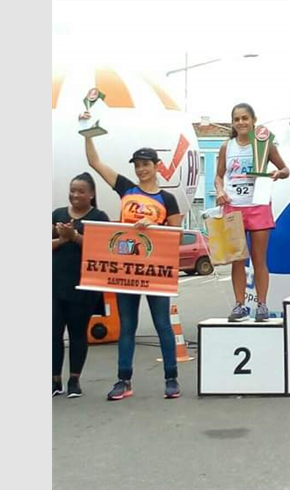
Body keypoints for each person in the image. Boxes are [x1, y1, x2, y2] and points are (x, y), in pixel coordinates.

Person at [81, 123, 184, 401]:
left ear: (156, 166)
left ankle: (171, 378)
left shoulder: (168, 199)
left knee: (163, 324)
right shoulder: (126, 188)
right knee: (127, 326)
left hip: (155, 271)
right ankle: (123, 380)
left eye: (146, 164)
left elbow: (176, 236)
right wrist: (88, 133)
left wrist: (154, 225)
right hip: (125, 268)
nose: (141, 169)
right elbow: (95, 162)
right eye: (137, 165)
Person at [214, 103, 290, 322]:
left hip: (257, 205)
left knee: (259, 259)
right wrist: (219, 191)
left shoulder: (264, 144)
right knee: (237, 259)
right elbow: (219, 176)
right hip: (234, 206)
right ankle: (239, 305)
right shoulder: (226, 147)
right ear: (233, 123)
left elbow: (285, 169)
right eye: (236, 119)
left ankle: (262, 305)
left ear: (254, 120)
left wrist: (277, 173)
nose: (241, 123)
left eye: (245, 118)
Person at [52, 172, 110, 398]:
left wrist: (75, 236)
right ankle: (54, 380)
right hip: (55, 284)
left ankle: (74, 379)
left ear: (92, 194)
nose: (75, 195)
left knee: (77, 333)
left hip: (84, 286)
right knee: (53, 333)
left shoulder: (99, 217)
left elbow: (102, 248)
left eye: (81, 191)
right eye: (72, 190)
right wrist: (63, 238)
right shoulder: (57, 214)